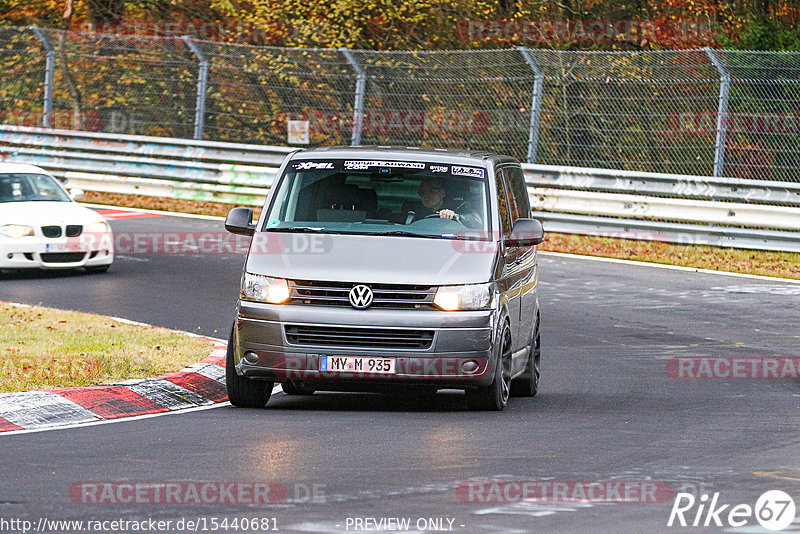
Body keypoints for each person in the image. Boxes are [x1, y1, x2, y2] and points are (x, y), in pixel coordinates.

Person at [412, 178, 481, 228]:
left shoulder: (460, 207)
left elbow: (477, 222)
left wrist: (456, 216)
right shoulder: (413, 211)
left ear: (442, 193)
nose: (426, 195)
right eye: (422, 192)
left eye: (431, 190)